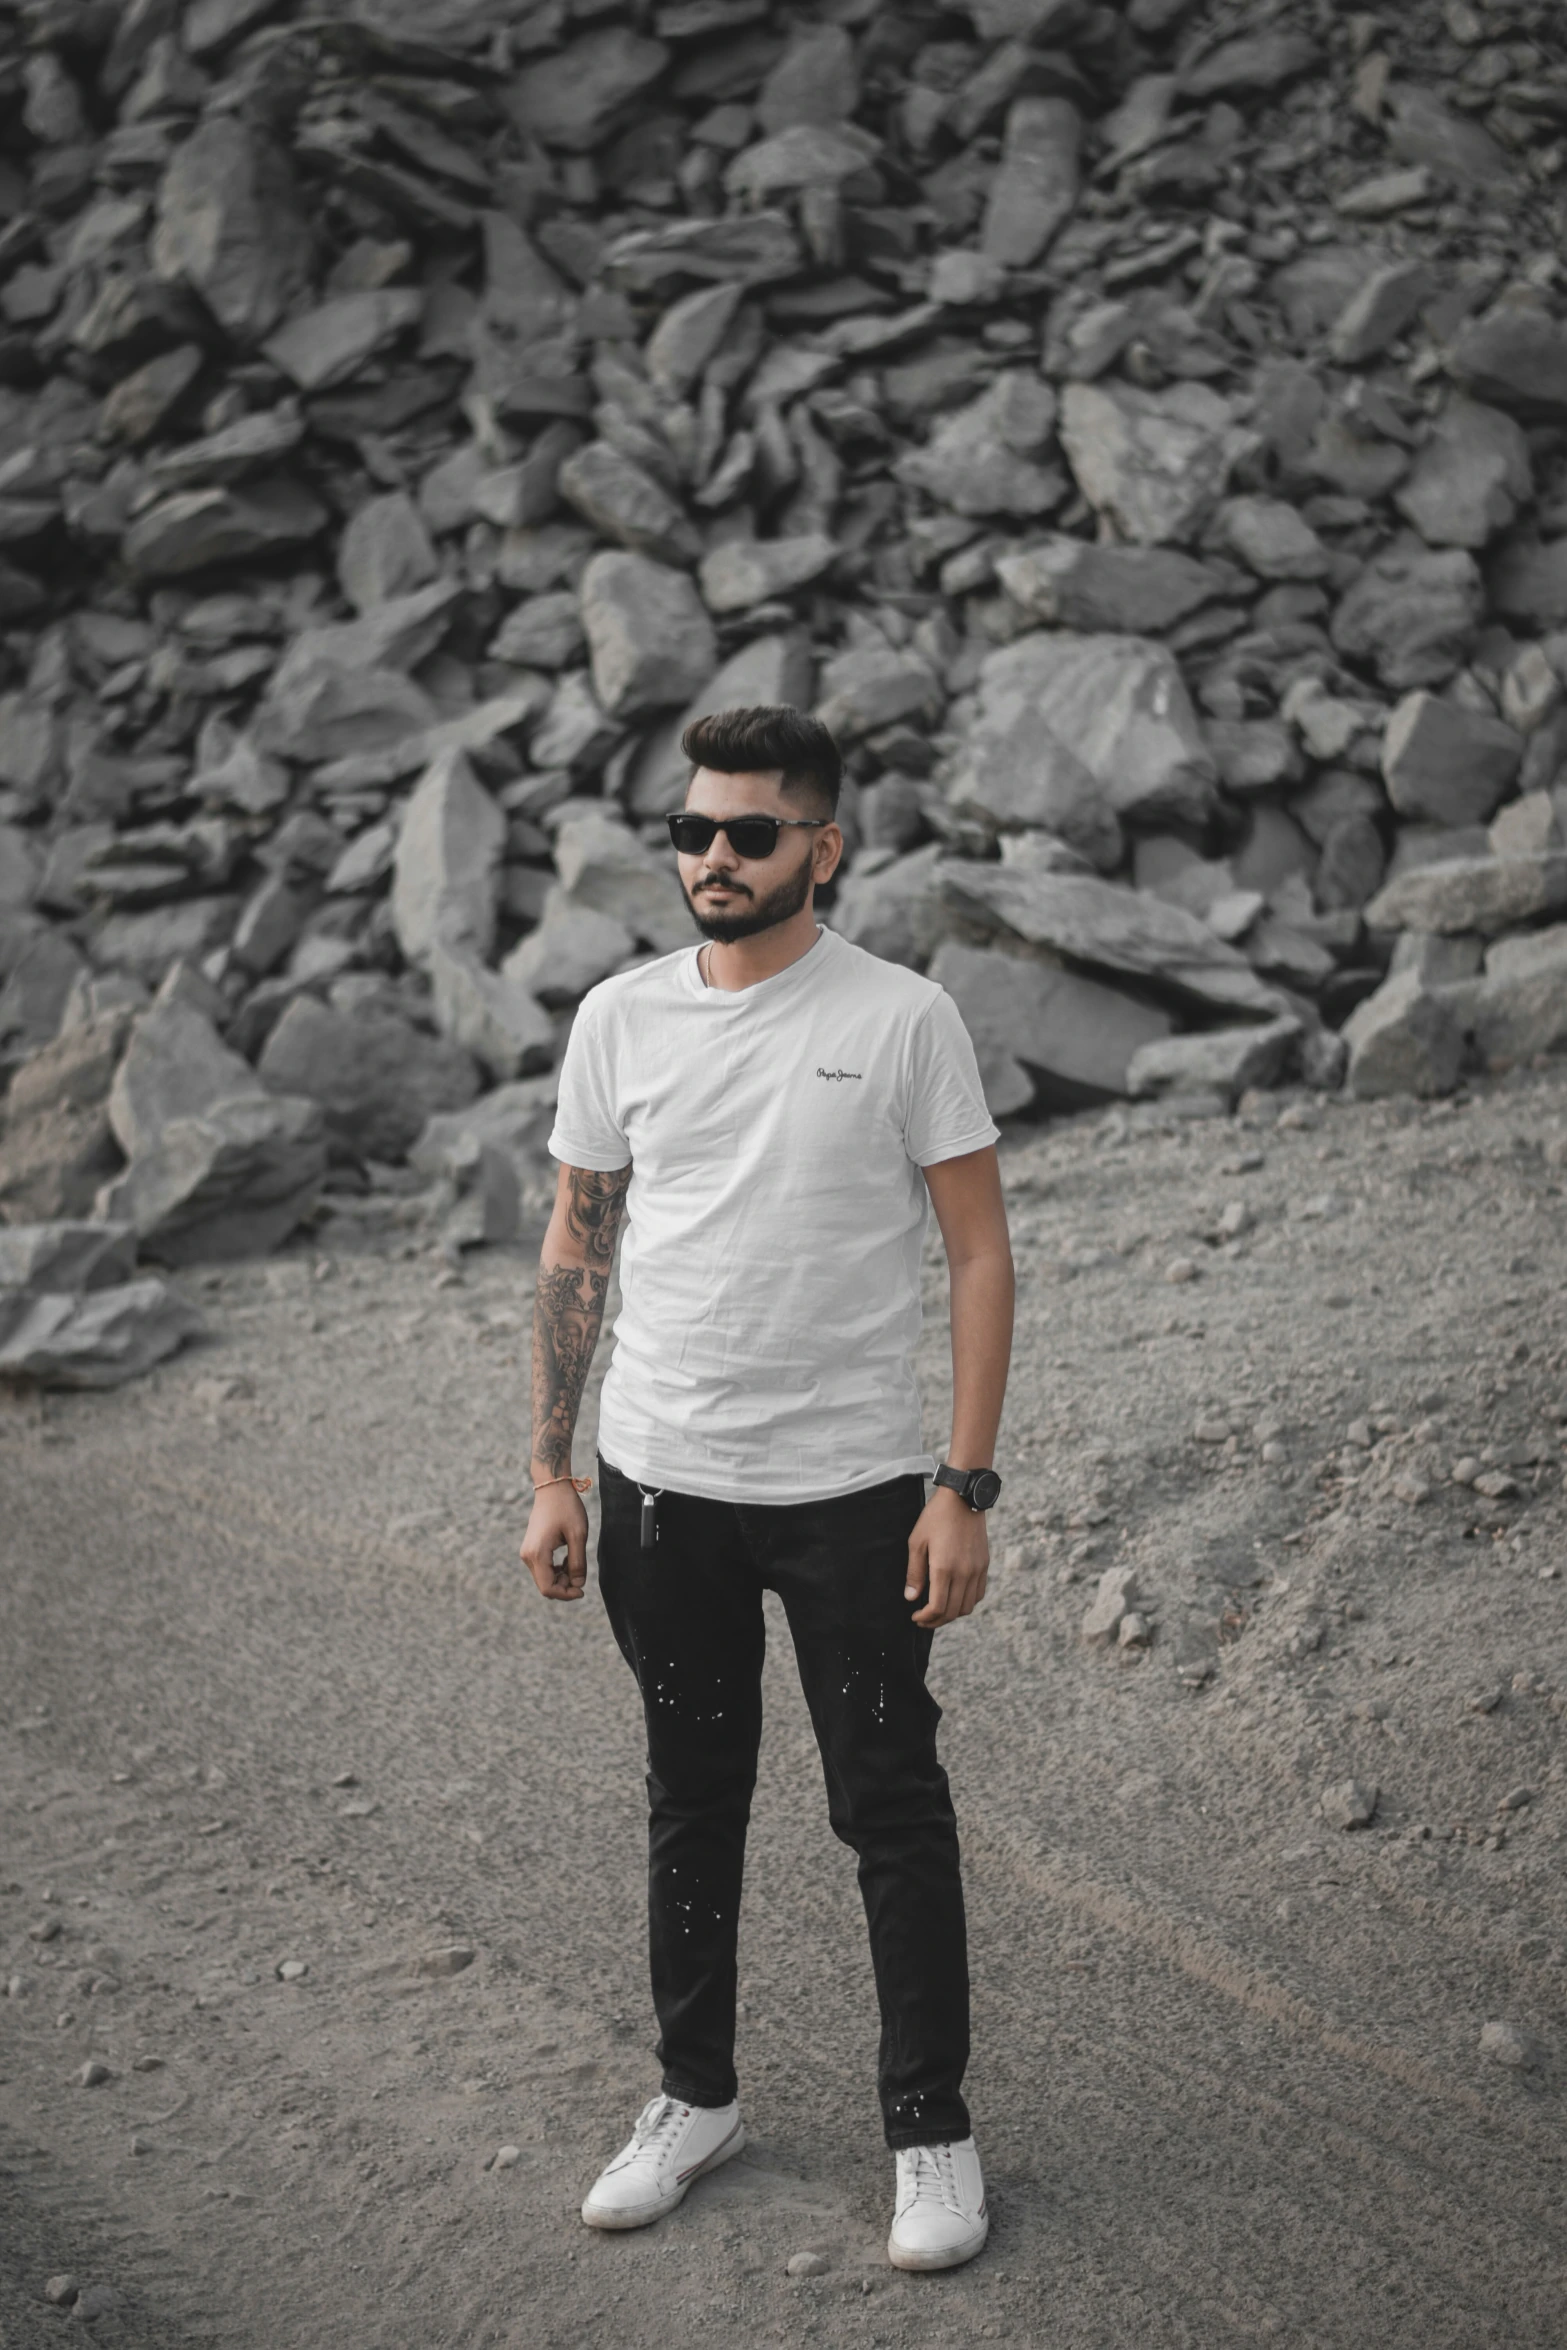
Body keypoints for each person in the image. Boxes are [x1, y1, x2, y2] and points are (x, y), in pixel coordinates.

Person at [519, 704, 1014, 2273]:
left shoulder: (904, 1014)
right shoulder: (619, 1019)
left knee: (887, 1803)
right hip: (661, 1488)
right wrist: (548, 1466)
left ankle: (929, 2128)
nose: (711, 858)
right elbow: (577, 1241)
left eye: (747, 831)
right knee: (691, 1793)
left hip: (856, 1492)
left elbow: (978, 1253)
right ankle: (695, 2096)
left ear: (823, 846)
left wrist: (964, 1483)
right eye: (690, 829)